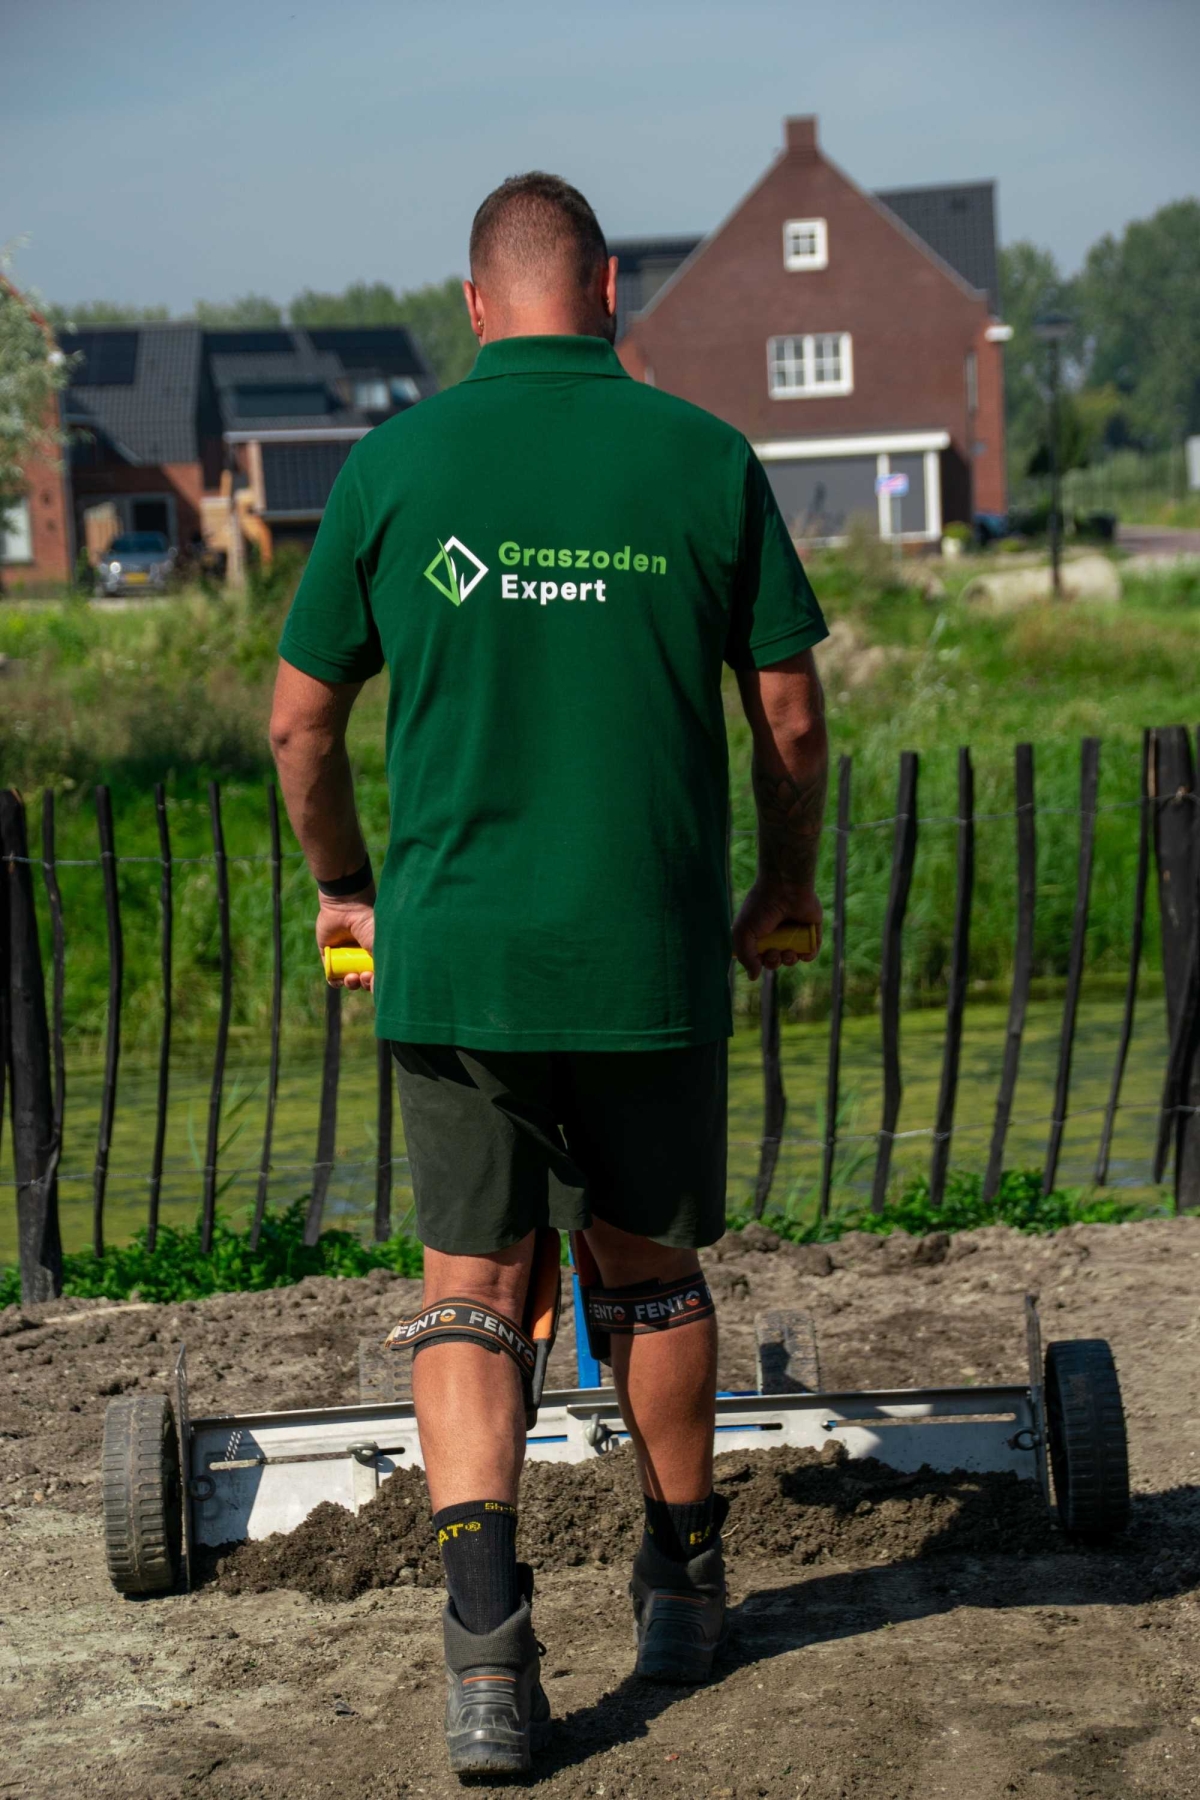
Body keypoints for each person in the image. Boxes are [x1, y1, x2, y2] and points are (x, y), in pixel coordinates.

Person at [270, 171, 828, 1777]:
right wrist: (781, 887)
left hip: (457, 961)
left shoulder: (391, 466)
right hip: (647, 955)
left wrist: (346, 890)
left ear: (473, 304)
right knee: (647, 1275)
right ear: (606, 292)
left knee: (471, 1290)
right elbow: (787, 722)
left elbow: (300, 724)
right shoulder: (705, 459)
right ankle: (680, 1584)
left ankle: (488, 1653)